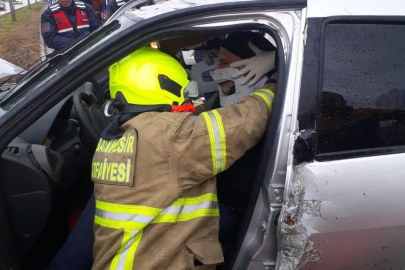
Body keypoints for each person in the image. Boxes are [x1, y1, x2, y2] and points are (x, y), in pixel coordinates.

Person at [90, 45, 275, 269]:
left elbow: (197, 118)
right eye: (183, 93)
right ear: (163, 84)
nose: (186, 100)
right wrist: (274, 83)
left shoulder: (116, 135)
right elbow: (246, 121)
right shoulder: (173, 137)